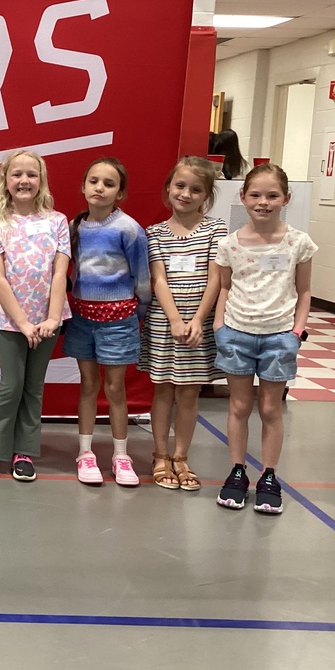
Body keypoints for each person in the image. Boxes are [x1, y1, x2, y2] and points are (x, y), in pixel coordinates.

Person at [214, 163, 317, 514]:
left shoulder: (299, 242)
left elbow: (304, 292)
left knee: (271, 408)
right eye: (255, 195)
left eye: (272, 195)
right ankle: (237, 470)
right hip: (237, 332)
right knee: (240, 406)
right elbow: (225, 288)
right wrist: (219, 327)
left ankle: (269, 475)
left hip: (278, 336)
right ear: (242, 198)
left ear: (285, 198)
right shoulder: (230, 244)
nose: (263, 202)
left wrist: (296, 331)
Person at [0, 150, 70, 482]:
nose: (24, 180)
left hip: (47, 320)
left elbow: (59, 273)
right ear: (5, 181)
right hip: (9, 320)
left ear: (41, 180)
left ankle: (23, 450)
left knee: (33, 386)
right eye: (17, 174)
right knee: (11, 385)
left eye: (31, 174)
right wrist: (23, 323)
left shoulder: (57, 221)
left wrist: (52, 318)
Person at [137, 157, 225, 491]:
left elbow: (215, 278)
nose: (186, 194)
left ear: (206, 195)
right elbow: (158, 279)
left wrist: (198, 320)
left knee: (188, 394)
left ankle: (181, 456)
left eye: (195, 189)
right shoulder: (154, 233)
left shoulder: (216, 230)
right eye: (180, 186)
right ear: (168, 189)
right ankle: (160, 455)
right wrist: (175, 319)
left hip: (197, 326)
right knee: (162, 391)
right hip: (164, 322)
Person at [63, 157, 151, 487]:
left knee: (115, 388)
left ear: (120, 193)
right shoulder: (75, 227)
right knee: (88, 385)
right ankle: (85, 452)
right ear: (83, 187)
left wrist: (135, 314)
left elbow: (142, 278)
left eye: (109, 184)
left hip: (119, 320)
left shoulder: (128, 229)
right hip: (83, 317)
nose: (100, 188)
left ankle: (120, 455)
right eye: (94, 181)